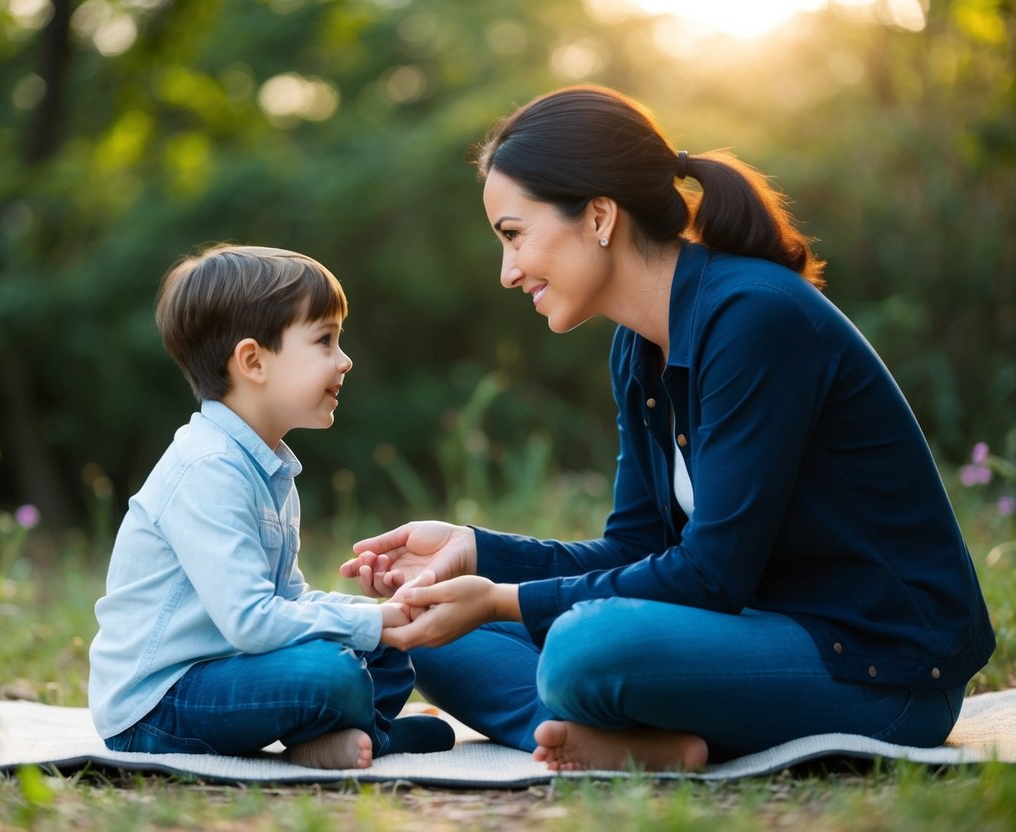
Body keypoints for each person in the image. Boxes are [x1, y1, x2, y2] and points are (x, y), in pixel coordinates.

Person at [341, 85, 995, 772]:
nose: (507, 272)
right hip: (747, 637)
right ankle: (626, 744)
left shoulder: (752, 319)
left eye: (513, 234)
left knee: (584, 649)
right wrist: (476, 552)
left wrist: (503, 598)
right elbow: (635, 549)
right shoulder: (638, 347)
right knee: (433, 632)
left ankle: (585, 727)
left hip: (878, 671)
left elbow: (711, 576)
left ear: (598, 216)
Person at [88, 244, 453, 769]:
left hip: (231, 672)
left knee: (392, 647)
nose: (345, 360)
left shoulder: (269, 468)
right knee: (333, 671)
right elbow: (251, 622)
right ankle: (369, 734)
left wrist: (378, 616)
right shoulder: (206, 468)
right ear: (253, 361)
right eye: (325, 341)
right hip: (157, 705)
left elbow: (287, 597)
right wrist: (369, 624)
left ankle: (344, 735)